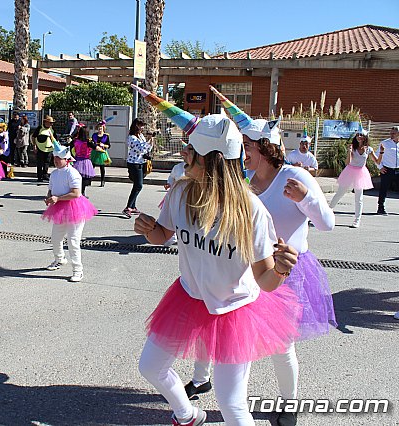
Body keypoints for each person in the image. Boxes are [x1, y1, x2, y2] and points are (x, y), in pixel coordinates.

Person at [132, 106, 300, 426]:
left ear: (209, 159)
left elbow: (264, 280)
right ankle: (188, 414)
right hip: (188, 296)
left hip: (235, 309)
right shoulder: (180, 192)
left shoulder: (251, 210)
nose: (184, 152)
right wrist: (148, 228)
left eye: (191, 149)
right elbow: (162, 235)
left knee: (231, 403)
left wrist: (280, 269)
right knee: (150, 367)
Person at [184, 86, 336, 426]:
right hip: (247, 270)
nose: (243, 153)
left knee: (281, 347)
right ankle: (209, 383)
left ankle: (288, 404)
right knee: (223, 331)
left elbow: (327, 224)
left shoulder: (295, 176)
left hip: (286, 270)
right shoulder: (248, 180)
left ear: (265, 149)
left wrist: (305, 200)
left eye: (248, 147)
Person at [42, 141, 98, 283]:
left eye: (58, 158)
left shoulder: (73, 173)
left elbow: (76, 193)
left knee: (73, 241)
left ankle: (78, 270)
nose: (55, 161)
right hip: (59, 208)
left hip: (75, 209)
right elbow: (51, 189)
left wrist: (57, 198)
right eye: (54, 158)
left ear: (66, 160)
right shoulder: (54, 174)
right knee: (55, 238)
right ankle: (60, 259)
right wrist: (49, 198)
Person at [330, 130, 383, 227]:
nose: (359, 137)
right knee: (340, 193)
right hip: (349, 171)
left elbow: (378, 162)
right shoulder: (352, 147)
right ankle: (329, 210)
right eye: (358, 135)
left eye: (361, 135)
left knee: (359, 198)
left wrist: (382, 152)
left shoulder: (368, 149)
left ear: (365, 137)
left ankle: (357, 220)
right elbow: (347, 162)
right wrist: (349, 152)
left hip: (361, 173)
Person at [122, 118, 152, 218]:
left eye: (143, 125)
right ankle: (128, 207)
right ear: (136, 126)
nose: (142, 127)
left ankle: (133, 206)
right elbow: (140, 149)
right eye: (140, 125)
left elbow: (147, 148)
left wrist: (150, 141)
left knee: (136, 185)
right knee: (138, 185)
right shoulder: (131, 137)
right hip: (134, 163)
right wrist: (148, 141)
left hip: (141, 163)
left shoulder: (140, 136)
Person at [375, 126, 399, 215]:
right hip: (387, 170)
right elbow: (377, 156)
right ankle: (380, 208)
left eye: (394, 133)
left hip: (398, 170)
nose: (391, 135)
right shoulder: (385, 143)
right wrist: (380, 167)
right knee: (383, 189)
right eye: (391, 133)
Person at [71, 126, 96, 196]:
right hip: (86, 161)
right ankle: (82, 192)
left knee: (76, 177)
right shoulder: (88, 142)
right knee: (84, 178)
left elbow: (69, 147)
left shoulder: (75, 141)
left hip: (77, 160)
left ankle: (77, 191)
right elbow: (96, 147)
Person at [32, 115, 56, 182]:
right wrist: (34, 145)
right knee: (40, 163)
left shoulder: (52, 129)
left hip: (49, 149)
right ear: (46, 122)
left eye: (52, 123)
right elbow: (33, 137)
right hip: (40, 148)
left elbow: (55, 139)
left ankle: (45, 175)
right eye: (50, 123)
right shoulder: (40, 128)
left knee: (47, 163)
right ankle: (39, 176)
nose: (51, 124)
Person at [90, 120, 112, 187]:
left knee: (102, 167)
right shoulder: (94, 135)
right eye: (99, 128)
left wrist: (104, 145)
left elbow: (109, 145)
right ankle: (89, 180)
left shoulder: (106, 136)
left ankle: (102, 181)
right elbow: (91, 143)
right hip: (95, 152)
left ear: (103, 128)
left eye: (101, 128)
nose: (100, 129)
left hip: (102, 153)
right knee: (92, 167)